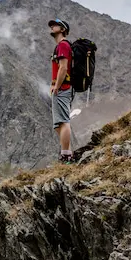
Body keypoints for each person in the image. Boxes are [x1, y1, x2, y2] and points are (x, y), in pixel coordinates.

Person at [48, 18, 74, 164]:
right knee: (58, 124)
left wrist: (57, 86)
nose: (52, 27)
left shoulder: (63, 45)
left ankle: (66, 156)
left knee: (63, 121)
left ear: (63, 29)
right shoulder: (60, 46)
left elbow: (63, 68)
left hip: (63, 88)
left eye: (55, 25)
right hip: (61, 88)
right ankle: (69, 152)